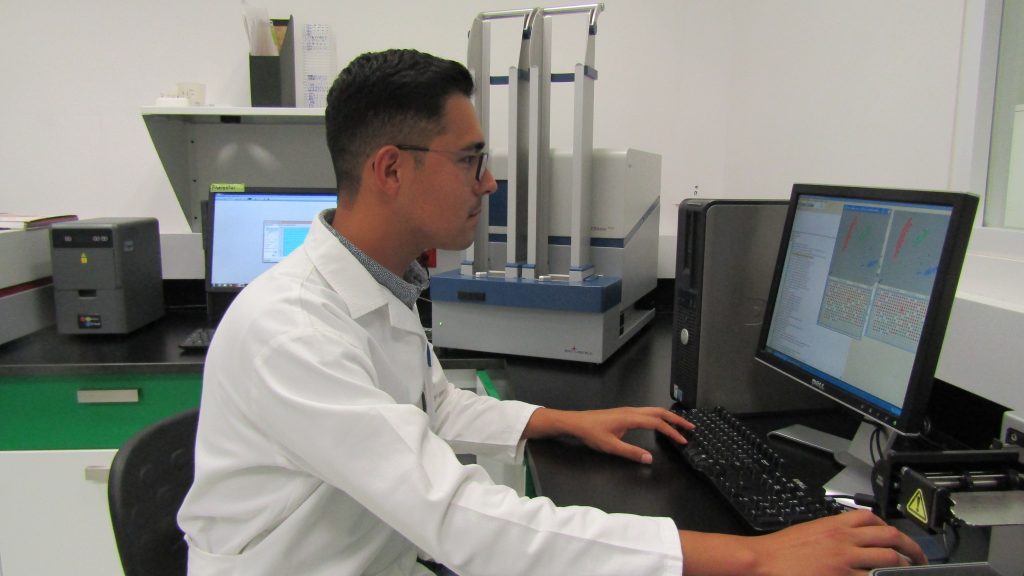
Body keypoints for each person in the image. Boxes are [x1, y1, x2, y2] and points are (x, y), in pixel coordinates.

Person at [178, 48, 926, 576]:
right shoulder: (291, 330)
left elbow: (425, 405)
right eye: (471, 159)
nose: (491, 180)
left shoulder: (378, 285)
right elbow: (459, 520)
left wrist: (554, 422)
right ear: (391, 170)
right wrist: (757, 556)